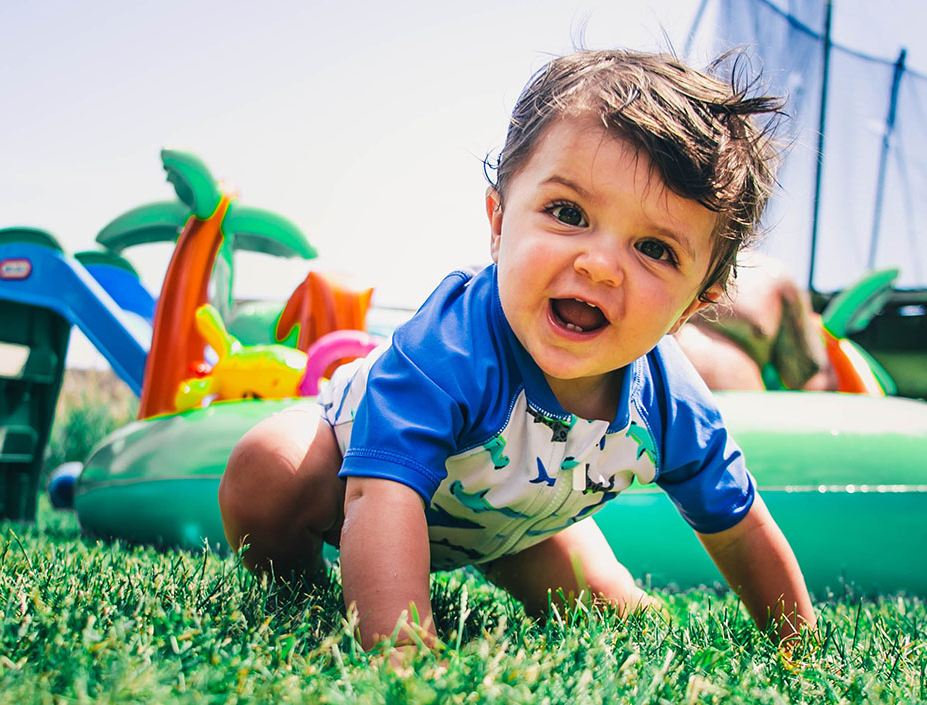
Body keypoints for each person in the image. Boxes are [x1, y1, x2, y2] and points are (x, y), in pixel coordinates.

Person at [219, 49, 816, 654]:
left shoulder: (670, 399)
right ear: (500, 222)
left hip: (514, 521)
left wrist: (800, 645)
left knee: (617, 618)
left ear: (692, 306)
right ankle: (299, 586)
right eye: (568, 213)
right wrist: (402, 656)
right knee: (269, 470)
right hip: (355, 473)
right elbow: (380, 495)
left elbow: (740, 527)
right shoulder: (452, 346)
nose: (600, 265)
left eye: (655, 250)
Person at [674, 250, 837, 391]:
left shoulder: (771, 275)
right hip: (654, 415)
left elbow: (814, 381)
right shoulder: (655, 257)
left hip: (742, 420)